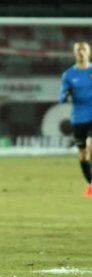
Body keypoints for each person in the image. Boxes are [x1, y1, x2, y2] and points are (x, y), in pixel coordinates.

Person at [59, 41, 92, 197]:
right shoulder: (69, 75)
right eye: (78, 50)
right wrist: (66, 94)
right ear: (74, 53)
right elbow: (62, 98)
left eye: (83, 49)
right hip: (79, 118)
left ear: (89, 53)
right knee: (84, 154)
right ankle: (90, 184)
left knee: (91, 146)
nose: (81, 52)